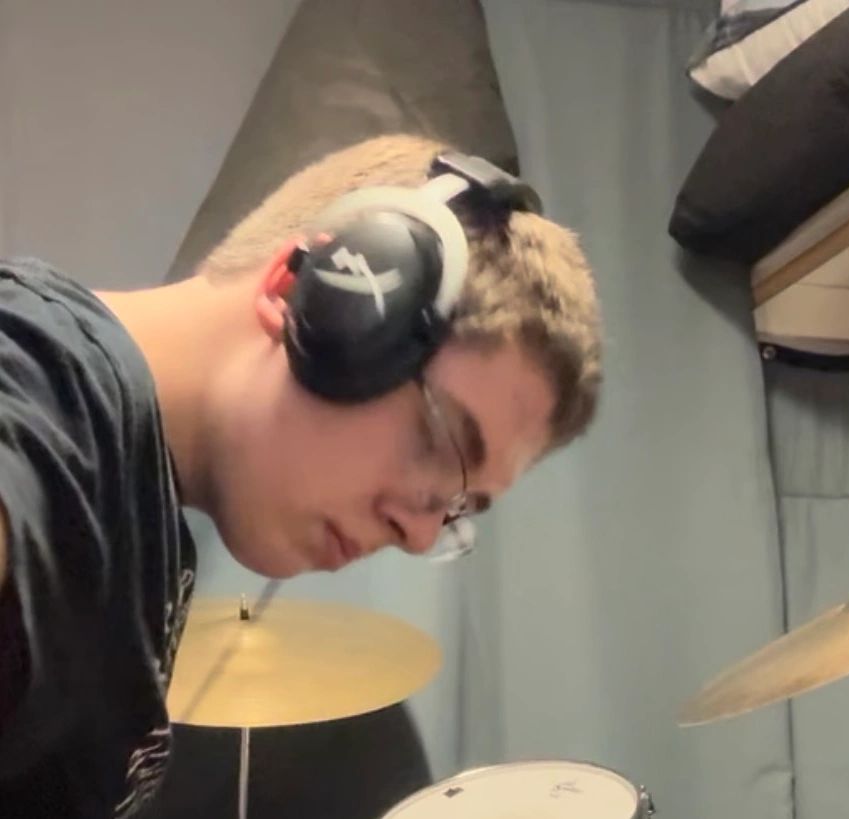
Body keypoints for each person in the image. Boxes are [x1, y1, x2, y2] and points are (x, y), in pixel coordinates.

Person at [0, 133, 603, 817]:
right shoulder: (45, 390)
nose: (417, 532)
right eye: (438, 444)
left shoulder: (143, 504)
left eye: (458, 508)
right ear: (302, 293)